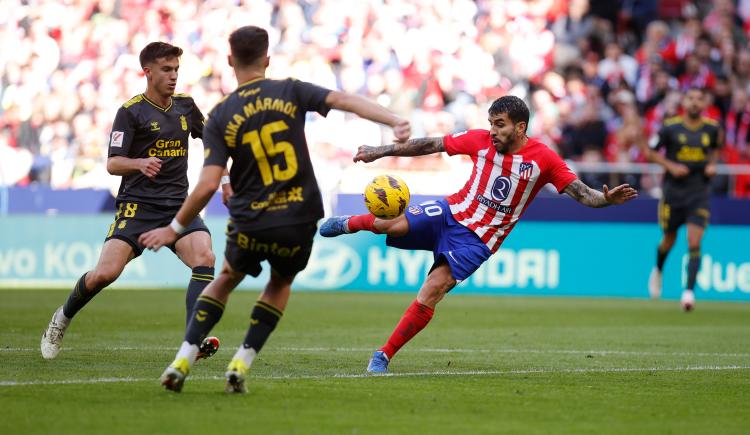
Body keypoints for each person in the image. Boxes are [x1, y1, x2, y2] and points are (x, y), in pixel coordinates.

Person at [138, 26, 411, 393]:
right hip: (298, 215)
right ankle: (241, 362)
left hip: (251, 218)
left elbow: (206, 184)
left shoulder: (221, 115)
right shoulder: (290, 90)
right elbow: (344, 100)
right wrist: (393, 120)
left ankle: (184, 356)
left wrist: (174, 228)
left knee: (225, 280)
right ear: (267, 60)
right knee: (279, 283)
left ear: (230, 61)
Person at [319, 95, 638, 373]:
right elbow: (431, 144)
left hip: (478, 240)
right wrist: (380, 151)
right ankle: (348, 223)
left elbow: (583, 195)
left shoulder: (544, 160)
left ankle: (383, 354)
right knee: (391, 223)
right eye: (491, 123)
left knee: (434, 288)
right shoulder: (479, 140)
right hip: (450, 211)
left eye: (500, 124)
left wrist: (606, 200)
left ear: (520, 127)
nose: (493, 131)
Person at [40, 42, 221, 361]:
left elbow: (212, 141)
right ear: (147, 72)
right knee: (105, 274)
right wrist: (138, 163)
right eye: (167, 69)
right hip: (137, 207)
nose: (173, 76)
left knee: (205, 256)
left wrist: (228, 175)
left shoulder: (186, 107)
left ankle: (193, 340)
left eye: (177, 69)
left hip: (178, 207)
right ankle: (61, 318)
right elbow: (112, 163)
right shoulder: (131, 112)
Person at [645, 87, 720, 311]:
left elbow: (715, 150)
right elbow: (651, 152)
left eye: (699, 99)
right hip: (673, 193)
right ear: (684, 102)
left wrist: (712, 164)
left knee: (694, 241)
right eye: (691, 98)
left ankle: (688, 293)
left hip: (698, 192)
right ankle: (658, 270)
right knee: (669, 239)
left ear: (704, 103)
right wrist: (671, 166)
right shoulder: (670, 128)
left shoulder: (713, 129)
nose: (695, 102)